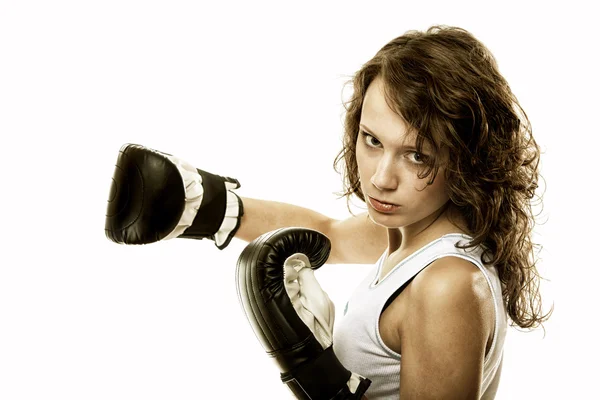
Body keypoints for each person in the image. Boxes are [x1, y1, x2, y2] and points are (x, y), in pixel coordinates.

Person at [105, 25, 551, 399]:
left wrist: (320, 378)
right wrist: (208, 206)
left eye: (417, 156)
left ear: (466, 157)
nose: (381, 178)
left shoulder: (445, 284)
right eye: (372, 140)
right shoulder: (419, 233)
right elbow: (328, 234)